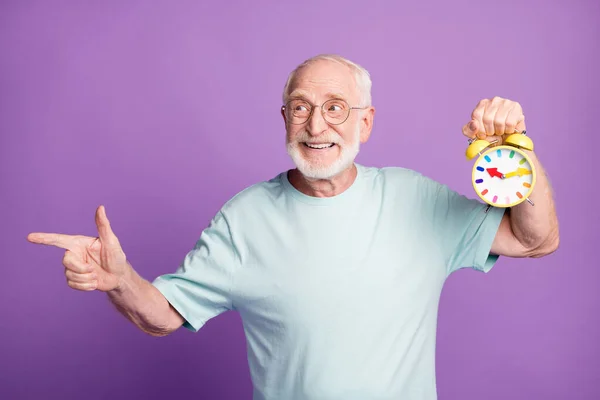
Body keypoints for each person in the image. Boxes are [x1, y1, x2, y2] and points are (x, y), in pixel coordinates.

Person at [27, 54, 559, 400]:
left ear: (365, 122)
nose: (317, 124)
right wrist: (119, 278)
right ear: (284, 119)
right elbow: (163, 315)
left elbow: (536, 238)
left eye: (335, 107)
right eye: (301, 107)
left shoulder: (415, 198)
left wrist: (515, 153)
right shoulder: (245, 218)